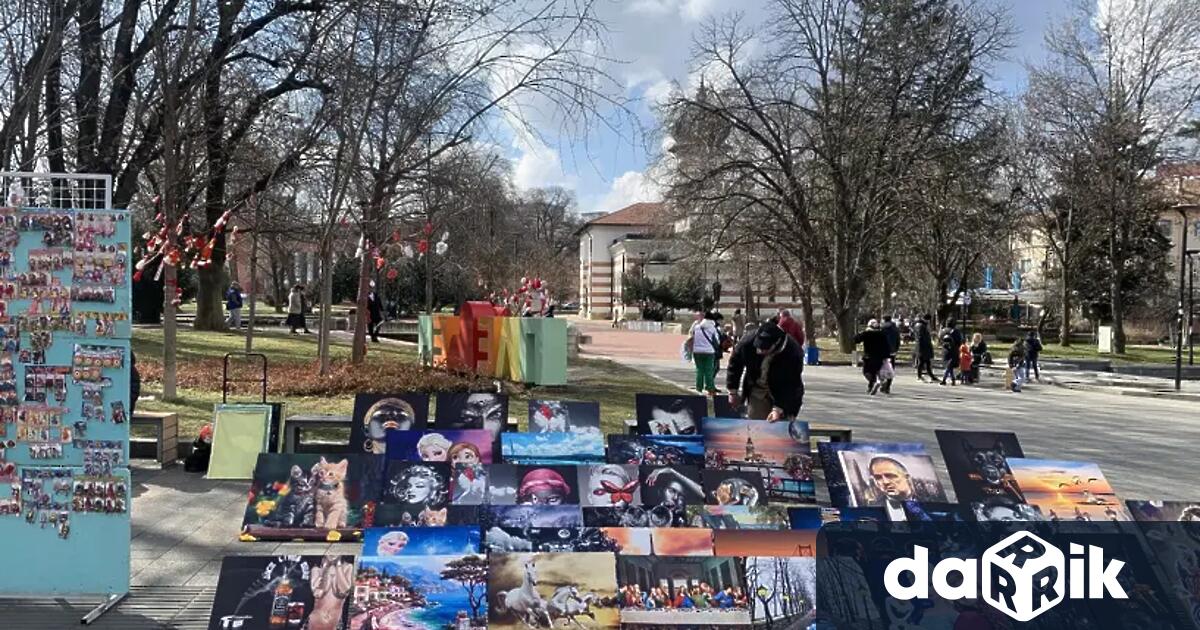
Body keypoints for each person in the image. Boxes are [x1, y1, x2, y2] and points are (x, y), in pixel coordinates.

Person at [726, 321, 805, 421]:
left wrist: (778, 409)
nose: (759, 351)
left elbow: (791, 384)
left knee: (780, 427)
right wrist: (732, 391)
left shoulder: (793, 353)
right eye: (758, 347)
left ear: (776, 343)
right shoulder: (747, 342)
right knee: (756, 425)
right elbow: (734, 365)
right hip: (758, 390)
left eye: (764, 348)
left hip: (783, 391)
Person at [867, 456, 917, 522]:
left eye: (890, 476)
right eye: (878, 478)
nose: (885, 482)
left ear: (906, 478)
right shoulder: (873, 508)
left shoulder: (929, 499)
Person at [853, 319, 891, 395]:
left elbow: (856, 339)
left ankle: (874, 382)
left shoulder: (867, 333)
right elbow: (886, 346)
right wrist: (886, 356)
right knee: (875, 371)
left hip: (868, 356)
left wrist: (859, 333)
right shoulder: (882, 334)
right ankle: (873, 385)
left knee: (866, 372)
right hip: (879, 357)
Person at [688, 311, 721, 395]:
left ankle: (699, 387)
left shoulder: (697, 327)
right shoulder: (713, 328)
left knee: (699, 370)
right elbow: (717, 341)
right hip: (709, 351)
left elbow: (691, 336)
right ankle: (710, 388)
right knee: (709, 370)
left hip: (697, 351)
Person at [938, 318, 963, 386]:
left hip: (945, 350)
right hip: (953, 350)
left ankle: (951, 380)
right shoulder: (955, 331)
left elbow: (939, 340)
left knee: (949, 366)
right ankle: (945, 380)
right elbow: (959, 341)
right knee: (950, 366)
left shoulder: (942, 331)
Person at [879, 315, 900, 393]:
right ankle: (887, 386)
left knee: (881, 369)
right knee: (890, 369)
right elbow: (898, 341)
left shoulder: (882, 329)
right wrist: (895, 349)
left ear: (884, 320)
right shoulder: (895, 329)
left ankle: (883, 384)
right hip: (892, 352)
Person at [913, 314, 936, 382]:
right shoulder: (921, 326)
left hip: (923, 347)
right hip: (923, 347)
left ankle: (931, 376)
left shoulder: (920, 325)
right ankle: (920, 376)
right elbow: (921, 337)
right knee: (922, 362)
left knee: (926, 362)